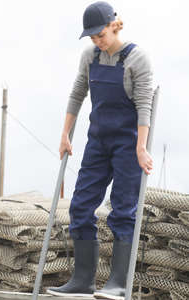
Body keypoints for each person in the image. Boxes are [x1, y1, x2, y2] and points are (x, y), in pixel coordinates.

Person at [46, 2, 154, 300]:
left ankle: (118, 283)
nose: (97, 40)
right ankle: (82, 281)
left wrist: (141, 149)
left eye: (101, 34)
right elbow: (78, 92)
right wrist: (65, 134)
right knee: (80, 205)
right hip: (97, 142)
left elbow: (145, 105)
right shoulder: (89, 57)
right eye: (92, 36)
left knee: (122, 210)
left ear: (114, 25)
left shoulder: (137, 59)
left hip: (128, 144)